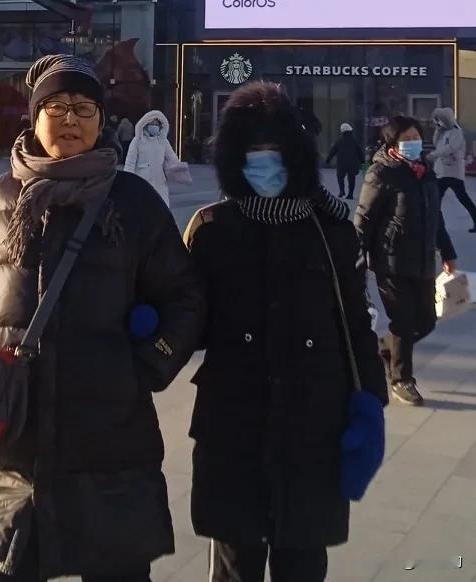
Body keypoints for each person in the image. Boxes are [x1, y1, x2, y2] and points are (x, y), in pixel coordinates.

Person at [0, 54, 204, 582]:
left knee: (116, 569)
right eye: (56, 106)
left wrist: (147, 366)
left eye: (84, 107)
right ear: (34, 117)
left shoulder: (133, 202)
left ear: (101, 120)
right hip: (12, 437)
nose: (70, 118)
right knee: (9, 568)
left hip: (109, 435)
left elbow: (187, 297)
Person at [184, 81, 388, 582]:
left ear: (294, 158)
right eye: (253, 155)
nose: (265, 165)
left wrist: (370, 401)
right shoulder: (212, 229)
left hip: (313, 422)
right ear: (235, 160)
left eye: (274, 154)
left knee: (303, 558)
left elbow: (355, 321)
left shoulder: (331, 231)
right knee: (235, 562)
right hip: (234, 423)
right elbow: (186, 320)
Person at [355, 116, 458, 406]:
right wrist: (355, 262)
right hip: (391, 262)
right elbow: (363, 220)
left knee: (426, 321)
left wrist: (448, 253)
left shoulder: (426, 173)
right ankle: (402, 380)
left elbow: (435, 217)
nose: (413, 143)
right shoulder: (381, 173)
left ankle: (386, 349)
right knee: (403, 320)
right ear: (392, 143)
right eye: (406, 139)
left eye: (416, 137)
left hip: (423, 260)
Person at [428, 107, 476, 233]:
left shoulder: (456, 132)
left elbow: (450, 148)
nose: (438, 123)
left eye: (440, 120)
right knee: (439, 198)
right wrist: (437, 132)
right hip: (443, 171)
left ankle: (434, 225)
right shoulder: (444, 132)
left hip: (452, 172)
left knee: (460, 198)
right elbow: (436, 144)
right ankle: (435, 224)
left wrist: (434, 155)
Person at [124, 111, 178, 207]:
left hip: (159, 181)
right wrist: (128, 182)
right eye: (152, 124)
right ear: (145, 124)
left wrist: (176, 169)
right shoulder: (137, 141)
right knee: (143, 209)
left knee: (162, 208)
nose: (154, 126)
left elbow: (172, 158)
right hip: (142, 181)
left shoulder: (163, 141)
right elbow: (130, 163)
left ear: (161, 126)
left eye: (156, 124)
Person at [326, 123, 364, 199]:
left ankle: (342, 190)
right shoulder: (354, 141)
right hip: (352, 163)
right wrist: (362, 161)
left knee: (340, 177)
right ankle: (350, 194)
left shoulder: (339, 141)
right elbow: (360, 152)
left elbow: (333, 151)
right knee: (351, 179)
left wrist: (328, 159)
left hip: (341, 163)